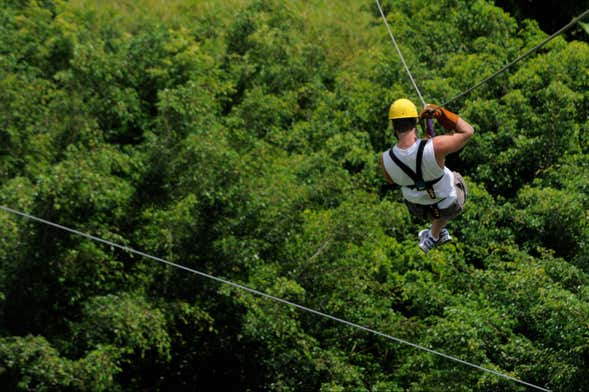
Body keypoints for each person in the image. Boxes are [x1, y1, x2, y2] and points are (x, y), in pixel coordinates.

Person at [379, 98, 474, 253]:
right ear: (416, 121)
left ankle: (436, 231)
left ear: (393, 126)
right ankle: (435, 233)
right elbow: (468, 131)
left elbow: (391, 180)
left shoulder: (385, 159)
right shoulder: (437, 146)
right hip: (450, 205)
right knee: (454, 178)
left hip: (419, 209)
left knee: (422, 190)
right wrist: (442, 115)